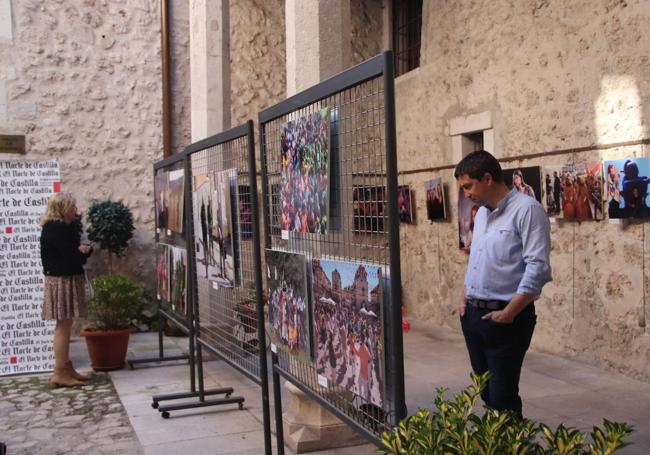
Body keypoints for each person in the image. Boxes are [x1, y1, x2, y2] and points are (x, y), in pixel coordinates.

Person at [454, 150, 551, 418]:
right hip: (473, 315)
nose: (465, 194)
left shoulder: (528, 210)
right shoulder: (482, 214)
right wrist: (464, 298)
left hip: (506, 318)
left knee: (502, 395)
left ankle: (509, 444)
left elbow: (538, 268)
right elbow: (476, 259)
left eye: (468, 186)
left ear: (487, 178)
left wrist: (510, 312)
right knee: (486, 391)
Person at [40, 192, 94, 387]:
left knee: (65, 323)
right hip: (62, 280)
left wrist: (81, 251)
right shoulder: (58, 229)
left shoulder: (54, 228)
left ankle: (66, 367)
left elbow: (73, 252)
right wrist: (83, 252)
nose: (75, 210)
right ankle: (60, 372)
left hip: (61, 278)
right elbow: (75, 256)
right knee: (63, 326)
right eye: (72, 206)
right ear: (62, 208)